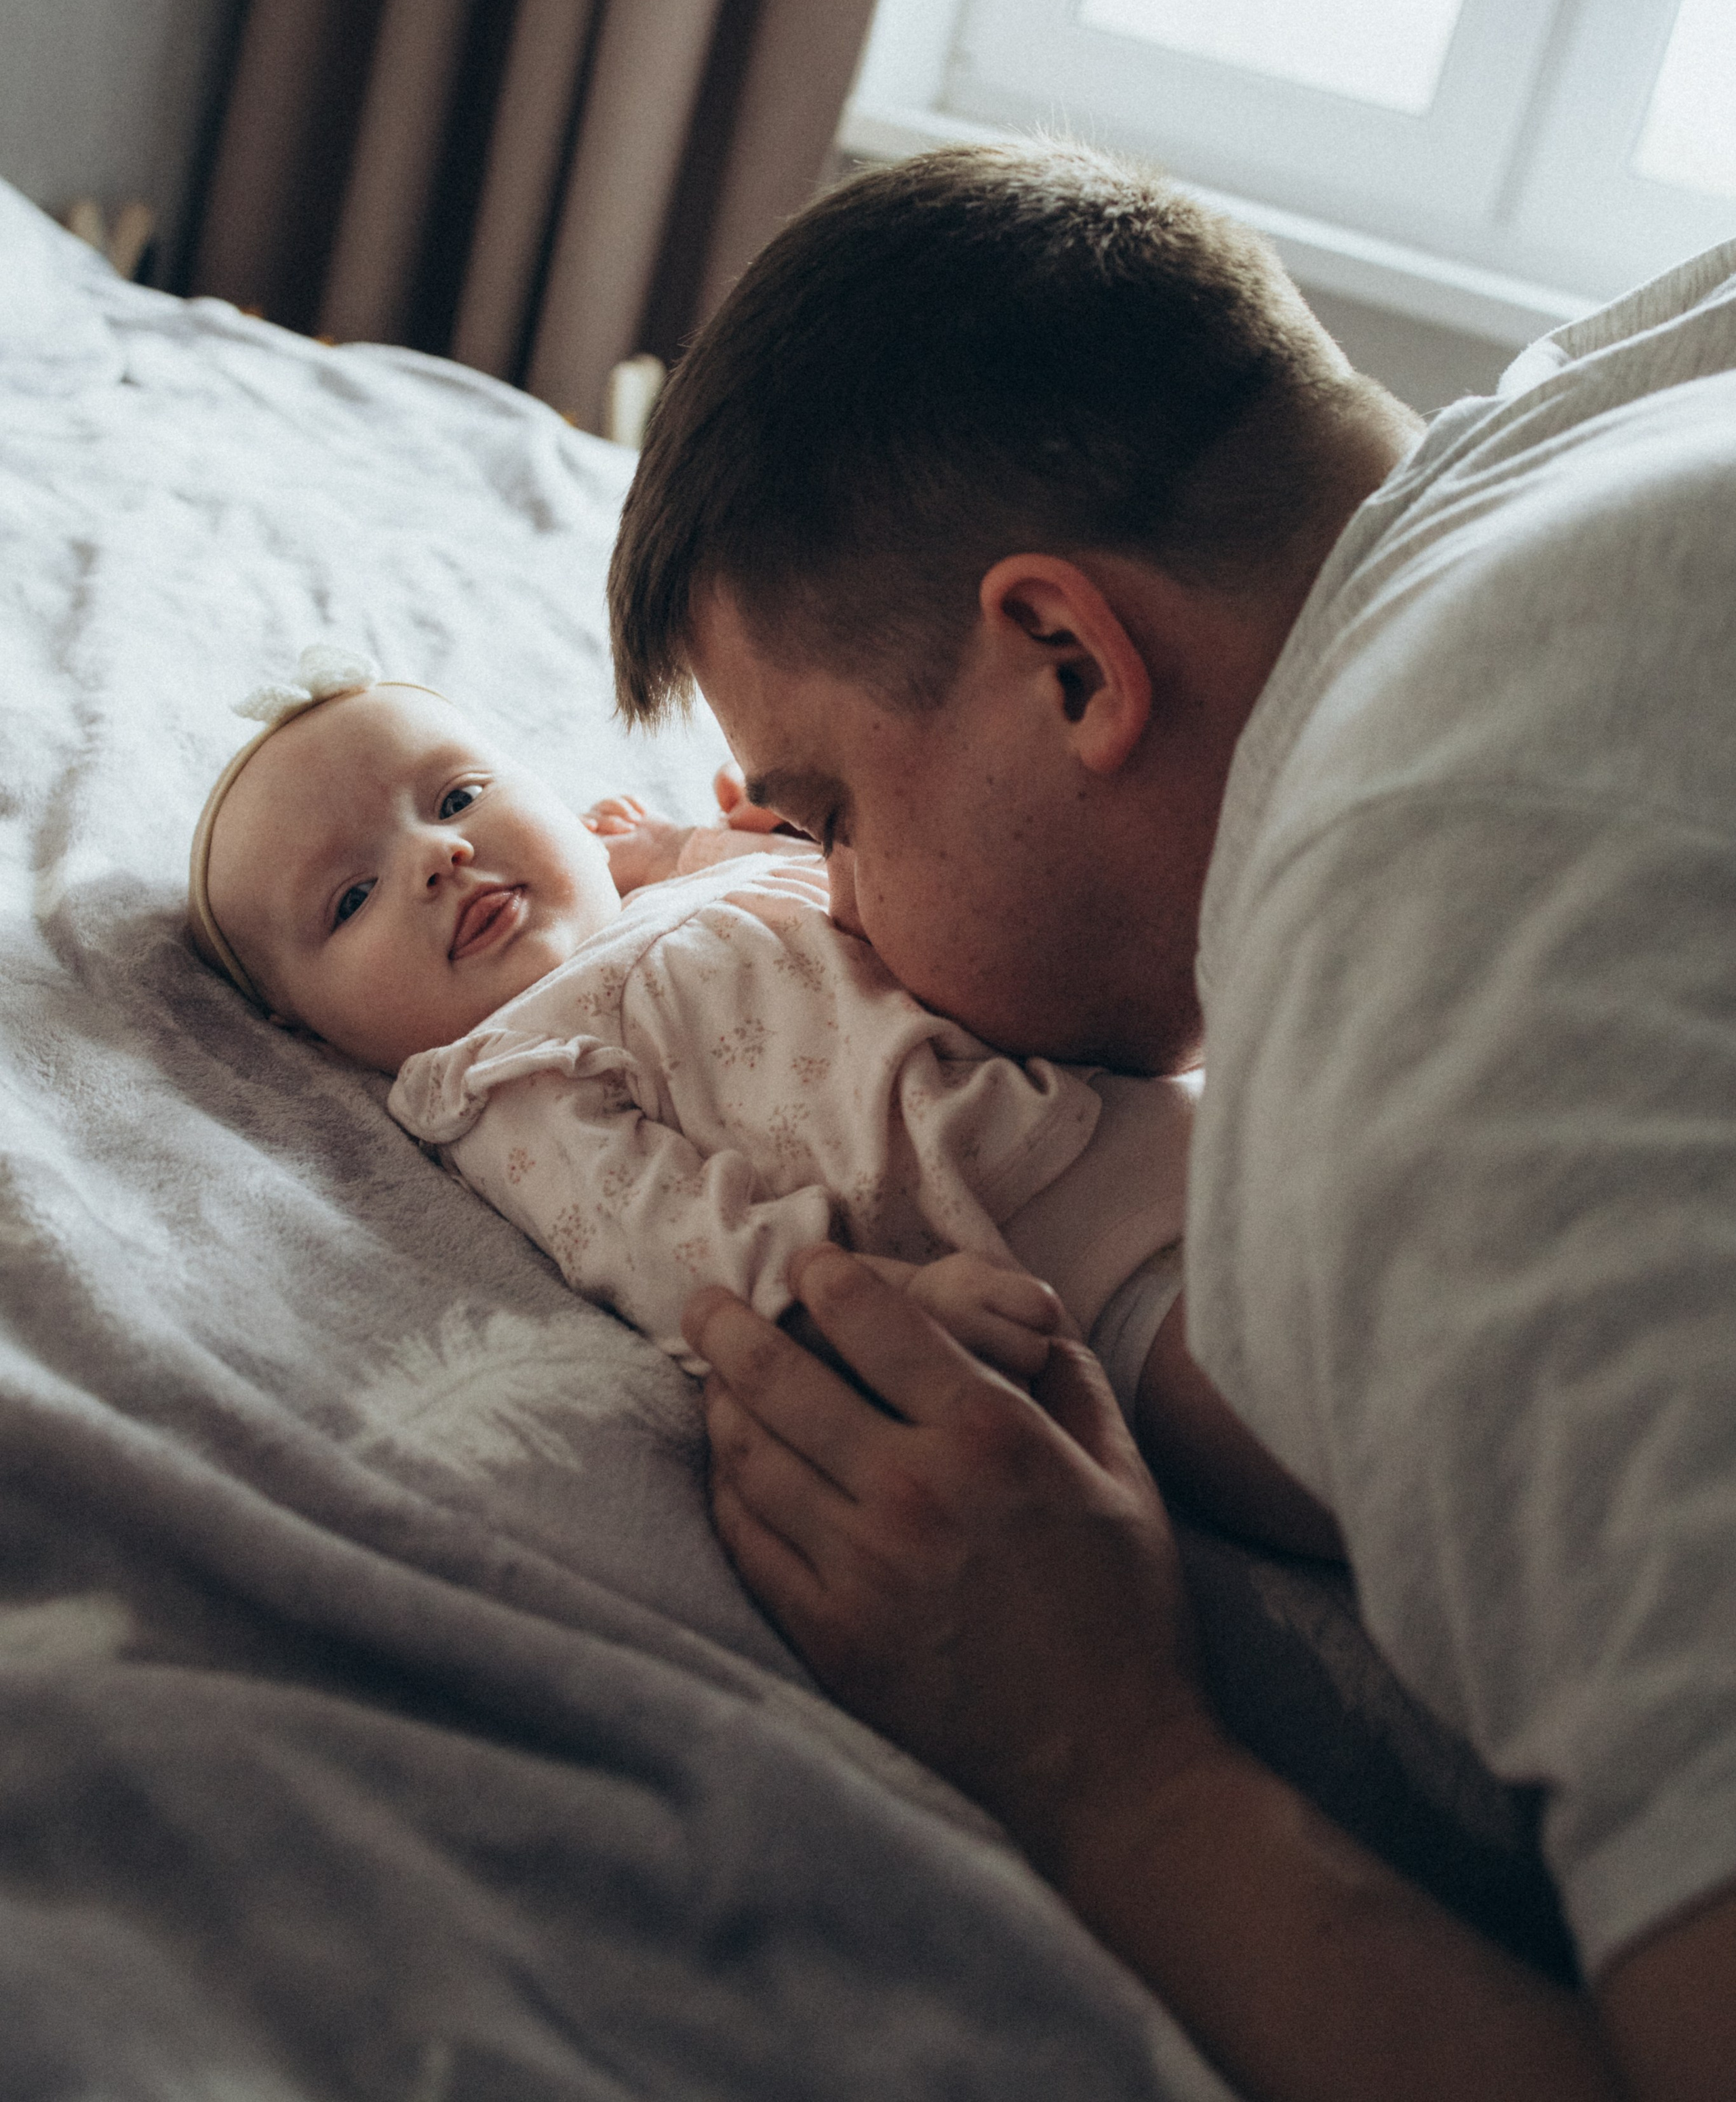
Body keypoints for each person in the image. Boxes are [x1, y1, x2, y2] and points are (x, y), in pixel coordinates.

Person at [606, 139, 1736, 2101]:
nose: (829, 909)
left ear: (1069, 661)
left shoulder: (1444, 932)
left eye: (821, 818)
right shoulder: (1623, 398)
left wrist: (1110, 1770)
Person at [186, 650, 1332, 1551]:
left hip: (1207, 1091)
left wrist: (690, 843)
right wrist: (871, 1302)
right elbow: (657, 1235)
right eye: (349, 898)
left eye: (458, 794)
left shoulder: (688, 876)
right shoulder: (506, 1072)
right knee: (1355, 1435)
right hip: (1094, 1274)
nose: (435, 855)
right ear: (316, 1031)